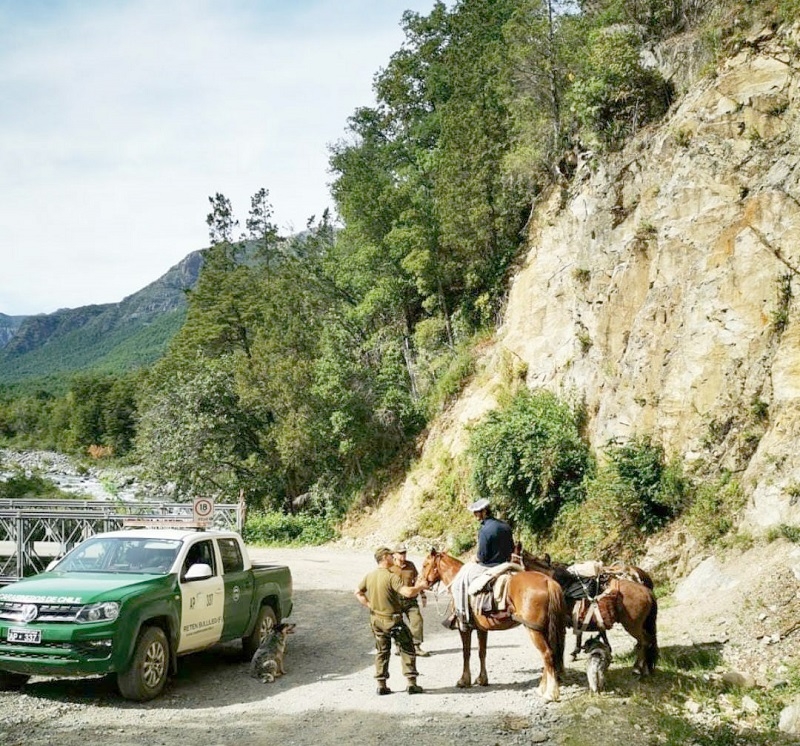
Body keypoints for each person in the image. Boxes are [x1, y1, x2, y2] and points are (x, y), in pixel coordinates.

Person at [355, 546, 429, 695]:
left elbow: (358, 592)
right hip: (393, 620)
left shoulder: (370, 575)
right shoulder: (391, 576)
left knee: (382, 651)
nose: (393, 558)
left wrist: (371, 605)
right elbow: (407, 592)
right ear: (384, 558)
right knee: (407, 647)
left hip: (376, 620)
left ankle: (381, 685)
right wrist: (420, 586)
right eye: (390, 556)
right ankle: (411, 683)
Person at [390, 544, 430, 657]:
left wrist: (422, 594)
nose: (403, 555)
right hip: (395, 600)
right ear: (395, 555)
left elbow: (418, 581)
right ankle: (399, 646)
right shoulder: (390, 567)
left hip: (410, 600)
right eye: (400, 553)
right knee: (397, 623)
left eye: (404, 553)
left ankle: (416, 646)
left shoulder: (410, 565)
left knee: (417, 620)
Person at [470, 497, 514, 566]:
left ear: (484, 511)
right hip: (508, 564)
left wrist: (475, 557)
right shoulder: (506, 525)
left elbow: (482, 557)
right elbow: (512, 548)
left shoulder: (484, 531)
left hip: (490, 567)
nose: (474, 514)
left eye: (476, 511)